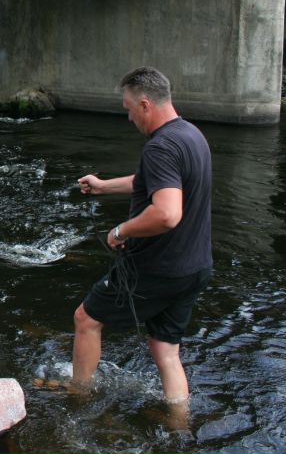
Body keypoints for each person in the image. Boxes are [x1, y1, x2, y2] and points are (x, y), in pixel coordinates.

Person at [73, 66, 212, 408]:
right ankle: (179, 423)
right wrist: (105, 187)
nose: (129, 116)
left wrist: (122, 229)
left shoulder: (160, 146)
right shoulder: (191, 136)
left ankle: (76, 397)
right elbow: (151, 180)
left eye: (129, 108)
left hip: (156, 268)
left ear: (146, 104)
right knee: (165, 350)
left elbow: (167, 213)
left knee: (86, 320)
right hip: (194, 267)